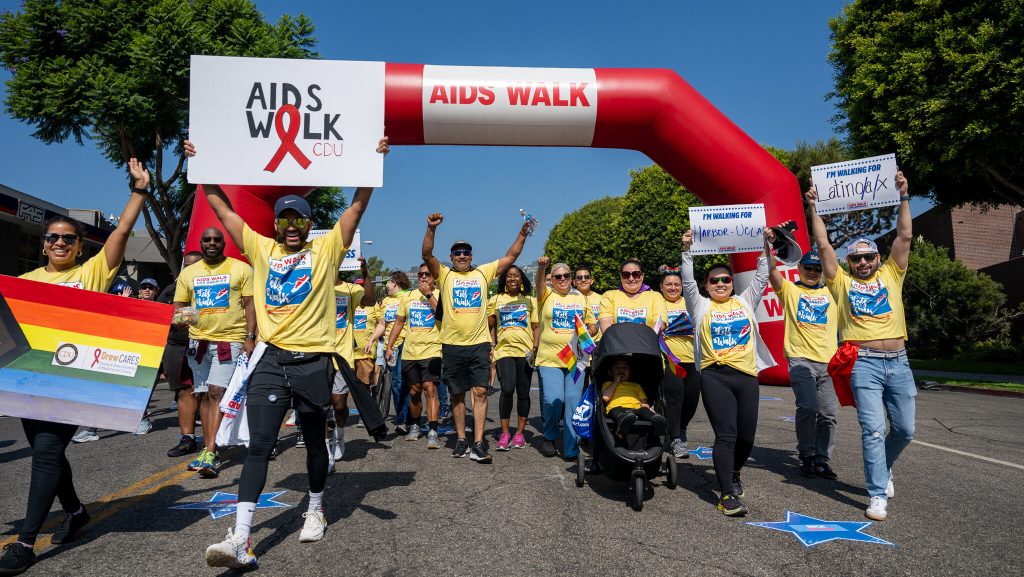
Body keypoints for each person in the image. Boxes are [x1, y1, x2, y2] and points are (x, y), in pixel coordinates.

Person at [187, 136, 388, 569]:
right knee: (260, 444)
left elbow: (355, 209)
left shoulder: (326, 249)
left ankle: (315, 507)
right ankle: (241, 539)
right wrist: (202, 169)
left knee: (314, 442)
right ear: (276, 224)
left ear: (309, 223)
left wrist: (372, 166)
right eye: (285, 218)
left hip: (314, 361)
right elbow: (224, 210)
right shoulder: (260, 248)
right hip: (271, 360)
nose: (292, 225)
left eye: (299, 218)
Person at [0, 158, 150, 575]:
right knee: (45, 453)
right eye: (53, 237)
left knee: (47, 453)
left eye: (69, 238)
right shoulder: (23, 284)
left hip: (74, 383)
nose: (60, 243)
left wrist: (138, 191)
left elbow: (121, 232)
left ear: (80, 246)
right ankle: (76, 511)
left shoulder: (93, 273)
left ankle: (25, 543)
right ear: (44, 244)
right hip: (33, 383)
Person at [806, 171, 913, 521]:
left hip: (899, 361)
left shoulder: (892, 273)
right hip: (864, 363)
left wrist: (903, 196)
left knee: (905, 430)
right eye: (856, 258)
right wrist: (815, 208)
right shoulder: (841, 283)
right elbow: (823, 245)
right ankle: (877, 493)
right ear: (849, 263)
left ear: (878, 259)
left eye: (868, 257)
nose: (863, 262)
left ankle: (884, 467)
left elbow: (904, 235)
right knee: (873, 429)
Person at [681, 229, 775, 517]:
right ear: (706, 285)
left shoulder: (745, 301)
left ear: (733, 284)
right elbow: (687, 282)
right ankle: (726, 495)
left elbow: (762, 274)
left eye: (725, 279)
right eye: (714, 280)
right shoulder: (701, 306)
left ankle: (733, 472)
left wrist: (765, 245)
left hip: (746, 377)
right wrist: (686, 250)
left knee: (746, 438)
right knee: (726, 435)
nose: (720, 284)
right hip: (715, 376)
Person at [422, 213, 530, 463]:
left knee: (480, 391)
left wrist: (522, 233)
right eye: (457, 253)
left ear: (471, 256)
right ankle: (462, 439)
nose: (462, 256)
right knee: (458, 395)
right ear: (451, 257)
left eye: (466, 252)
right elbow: (427, 255)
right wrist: (431, 229)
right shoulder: (445, 275)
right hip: (452, 344)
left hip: (479, 344)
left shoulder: (483, 273)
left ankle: (479, 443)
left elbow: (511, 257)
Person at [173, 227, 256, 479]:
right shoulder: (189, 273)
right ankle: (210, 448)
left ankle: (211, 450)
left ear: (223, 243)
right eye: (207, 239)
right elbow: (180, 303)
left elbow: (250, 303)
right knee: (204, 395)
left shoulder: (240, 268)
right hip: (198, 342)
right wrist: (181, 318)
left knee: (217, 392)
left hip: (229, 340)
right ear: (200, 243)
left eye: (216, 240)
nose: (212, 243)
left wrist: (250, 337)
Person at [766, 247, 840, 480]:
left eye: (818, 268)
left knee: (828, 414)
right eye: (808, 267)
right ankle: (806, 455)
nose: (813, 271)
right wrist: (767, 242)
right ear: (799, 268)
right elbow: (771, 268)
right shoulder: (790, 290)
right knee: (808, 407)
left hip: (829, 362)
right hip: (801, 359)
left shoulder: (832, 292)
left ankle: (821, 460)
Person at [532, 257, 598, 460]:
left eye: (566, 276)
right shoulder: (546, 295)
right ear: (552, 279)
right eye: (557, 276)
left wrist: (587, 333)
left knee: (572, 400)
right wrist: (541, 268)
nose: (562, 279)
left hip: (574, 359)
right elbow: (539, 283)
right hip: (549, 358)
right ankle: (550, 436)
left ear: (571, 278)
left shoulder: (580, 298)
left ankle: (571, 448)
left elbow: (592, 325)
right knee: (554, 399)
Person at [385, 263, 443, 449]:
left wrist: (428, 295)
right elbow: (399, 322)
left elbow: (443, 316)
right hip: (410, 351)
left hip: (433, 349)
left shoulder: (441, 294)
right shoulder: (408, 297)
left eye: (427, 274)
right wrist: (389, 346)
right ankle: (415, 425)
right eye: (420, 274)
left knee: (430, 389)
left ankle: (433, 431)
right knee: (414, 391)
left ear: (434, 277)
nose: (423, 277)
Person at [328, 258, 376, 463]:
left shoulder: (350, 289)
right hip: (318, 355)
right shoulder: (314, 287)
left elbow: (370, 300)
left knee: (339, 404)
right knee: (321, 406)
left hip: (342, 357)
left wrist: (365, 274)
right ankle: (325, 448)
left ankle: (339, 434)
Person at [487, 265, 537, 451]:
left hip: (525, 352)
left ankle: (520, 434)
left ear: (522, 279)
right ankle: (505, 433)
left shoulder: (530, 300)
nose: (513, 278)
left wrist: (535, 347)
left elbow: (536, 327)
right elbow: (490, 325)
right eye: (509, 276)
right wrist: (491, 345)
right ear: (504, 280)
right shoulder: (496, 299)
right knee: (507, 389)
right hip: (504, 351)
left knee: (523, 393)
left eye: (516, 275)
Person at [658, 265, 702, 459]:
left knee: (691, 399)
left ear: (682, 287)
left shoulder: (691, 303)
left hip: (694, 359)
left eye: (676, 284)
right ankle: (676, 438)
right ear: (661, 287)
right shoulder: (657, 303)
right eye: (669, 284)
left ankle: (681, 427)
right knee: (675, 398)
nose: (673, 288)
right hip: (669, 360)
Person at [164, 252, 204, 459]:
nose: (190, 270)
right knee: (184, 391)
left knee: (209, 393)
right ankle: (187, 439)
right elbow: (159, 316)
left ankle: (215, 440)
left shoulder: (213, 288)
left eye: (195, 266)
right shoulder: (171, 290)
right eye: (186, 266)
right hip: (176, 346)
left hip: (206, 345)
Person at [602, 358, 667, 437]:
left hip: (636, 409)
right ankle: (623, 421)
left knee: (644, 410)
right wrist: (616, 382)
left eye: (624, 367)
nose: (621, 370)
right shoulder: (608, 384)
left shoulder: (636, 385)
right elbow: (605, 398)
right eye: (617, 367)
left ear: (630, 372)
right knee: (616, 410)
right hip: (617, 407)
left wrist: (646, 406)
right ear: (610, 372)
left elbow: (643, 401)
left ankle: (657, 421)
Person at [598, 258, 667, 333]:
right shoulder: (609, 296)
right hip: (617, 340)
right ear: (621, 276)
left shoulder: (655, 296)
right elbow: (606, 325)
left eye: (636, 274)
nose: (631, 279)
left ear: (642, 276)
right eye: (626, 275)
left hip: (647, 340)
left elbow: (659, 324)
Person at [573, 265, 602, 340]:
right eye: (579, 278)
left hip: (598, 343)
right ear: (574, 282)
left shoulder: (602, 299)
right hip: (575, 342)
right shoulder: (569, 299)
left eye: (587, 277)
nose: (583, 280)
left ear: (591, 281)